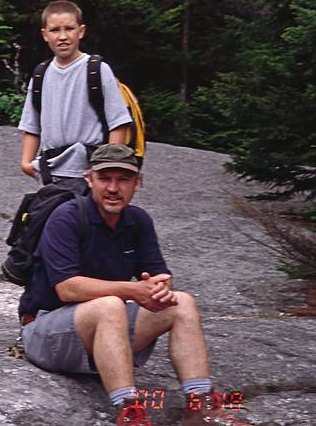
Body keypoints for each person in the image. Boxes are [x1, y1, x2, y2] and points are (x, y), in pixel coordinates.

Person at [18, 144, 253, 426]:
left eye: (123, 179)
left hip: (102, 335)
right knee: (110, 304)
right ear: (89, 179)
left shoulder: (137, 220)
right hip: (46, 333)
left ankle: (199, 407)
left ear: (137, 183)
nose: (113, 188)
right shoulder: (67, 217)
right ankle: (130, 412)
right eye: (105, 178)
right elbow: (67, 289)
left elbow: (159, 275)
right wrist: (133, 290)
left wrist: (159, 287)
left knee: (182, 302)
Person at [18, 0, 132, 191]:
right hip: (50, 176)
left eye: (69, 28)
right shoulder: (40, 74)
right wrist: (26, 164)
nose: (62, 36)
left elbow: (118, 123)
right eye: (55, 30)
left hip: (89, 173)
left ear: (81, 31)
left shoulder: (97, 70)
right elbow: (32, 126)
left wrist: (107, 171)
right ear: (45, 35)